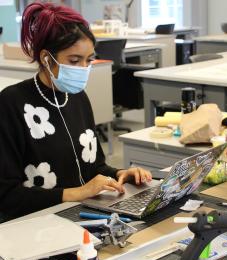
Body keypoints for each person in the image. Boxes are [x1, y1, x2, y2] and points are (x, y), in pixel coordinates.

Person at [0, 2, 152, 222]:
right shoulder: (11, 103)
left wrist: (119, 174)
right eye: (74, 60)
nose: (83, 69)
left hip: (80, 214)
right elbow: (6, 196)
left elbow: (93, 166)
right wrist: (76, 193)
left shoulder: (77, 96)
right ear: (45, 58)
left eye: (88, 60)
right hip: (36, 223)